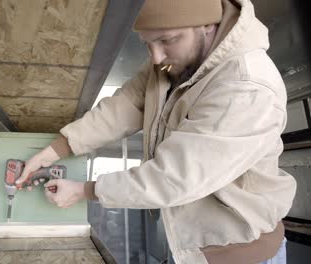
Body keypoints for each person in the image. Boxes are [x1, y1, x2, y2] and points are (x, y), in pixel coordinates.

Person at [15, 0, 297, 263]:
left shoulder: (246, 87)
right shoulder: (174, 60)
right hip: (195, 248)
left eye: (167, 40)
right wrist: (55, 150)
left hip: (244, 252)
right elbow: (128, 104)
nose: (156, 57)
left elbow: (175, 176)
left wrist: (86, 190)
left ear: (208, 24)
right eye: (147, 42)